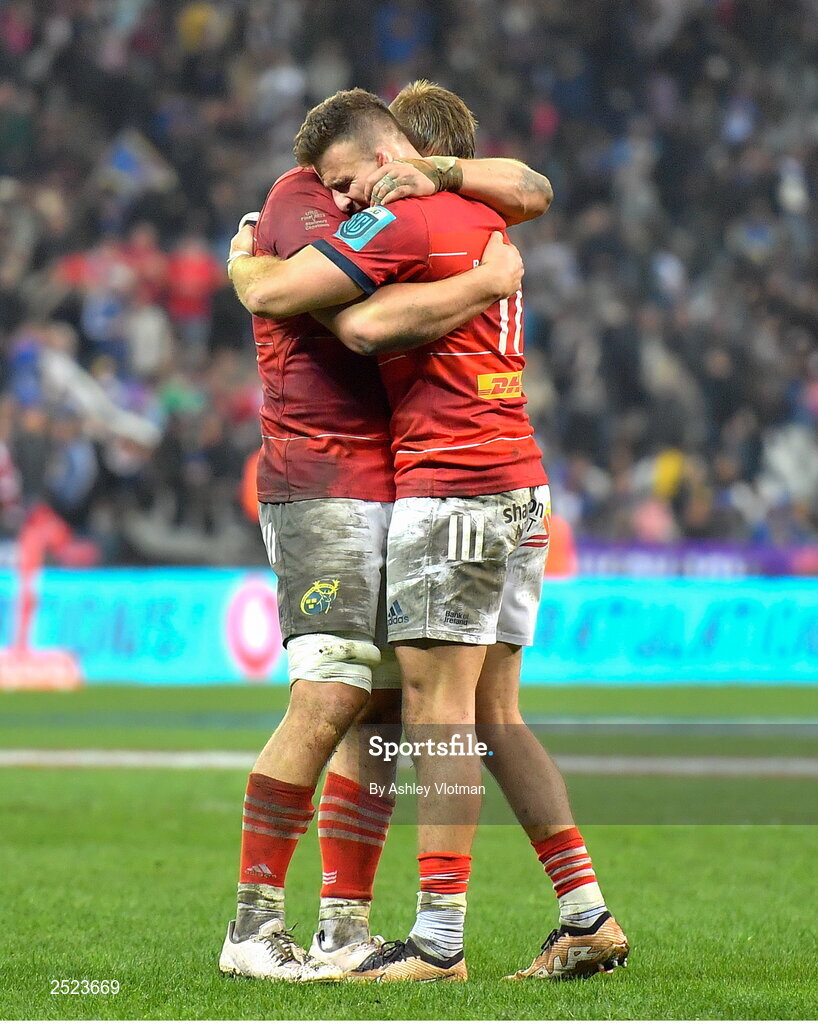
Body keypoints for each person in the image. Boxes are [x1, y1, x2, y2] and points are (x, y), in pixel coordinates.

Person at [229, 87, 628, 983]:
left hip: (453, 487)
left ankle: (438, 941)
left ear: (393, 159)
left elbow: (359, 322)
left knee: (435, 716)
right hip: (520, 480)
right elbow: (534, 183)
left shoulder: (409, 220)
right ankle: (585, 912)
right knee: (494, 715)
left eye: (350, 181)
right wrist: (485, 273)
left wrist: (248, 272)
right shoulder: (489, 212)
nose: (343, 199)